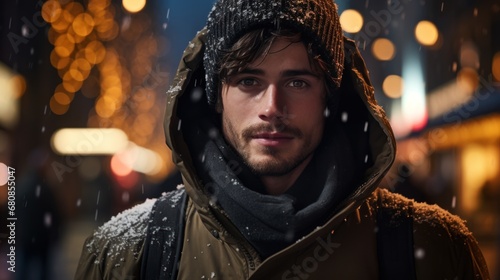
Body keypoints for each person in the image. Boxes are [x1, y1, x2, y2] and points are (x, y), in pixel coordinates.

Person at [75, 0, 490, 279]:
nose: (272, 106)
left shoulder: (430, 246)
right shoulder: (129, 253)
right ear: (217, 96)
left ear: (329, 95)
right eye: (248, 80)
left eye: (297, 81)